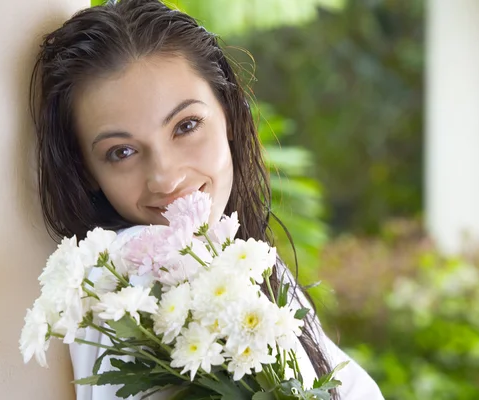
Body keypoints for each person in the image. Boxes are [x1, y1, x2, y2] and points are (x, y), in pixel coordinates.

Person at [30, 0, 384, 399]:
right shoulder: (137, 281)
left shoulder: (250, 268)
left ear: (230, 111)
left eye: (186, 126)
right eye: (122, 152)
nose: (165, 177)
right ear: (88, 173)